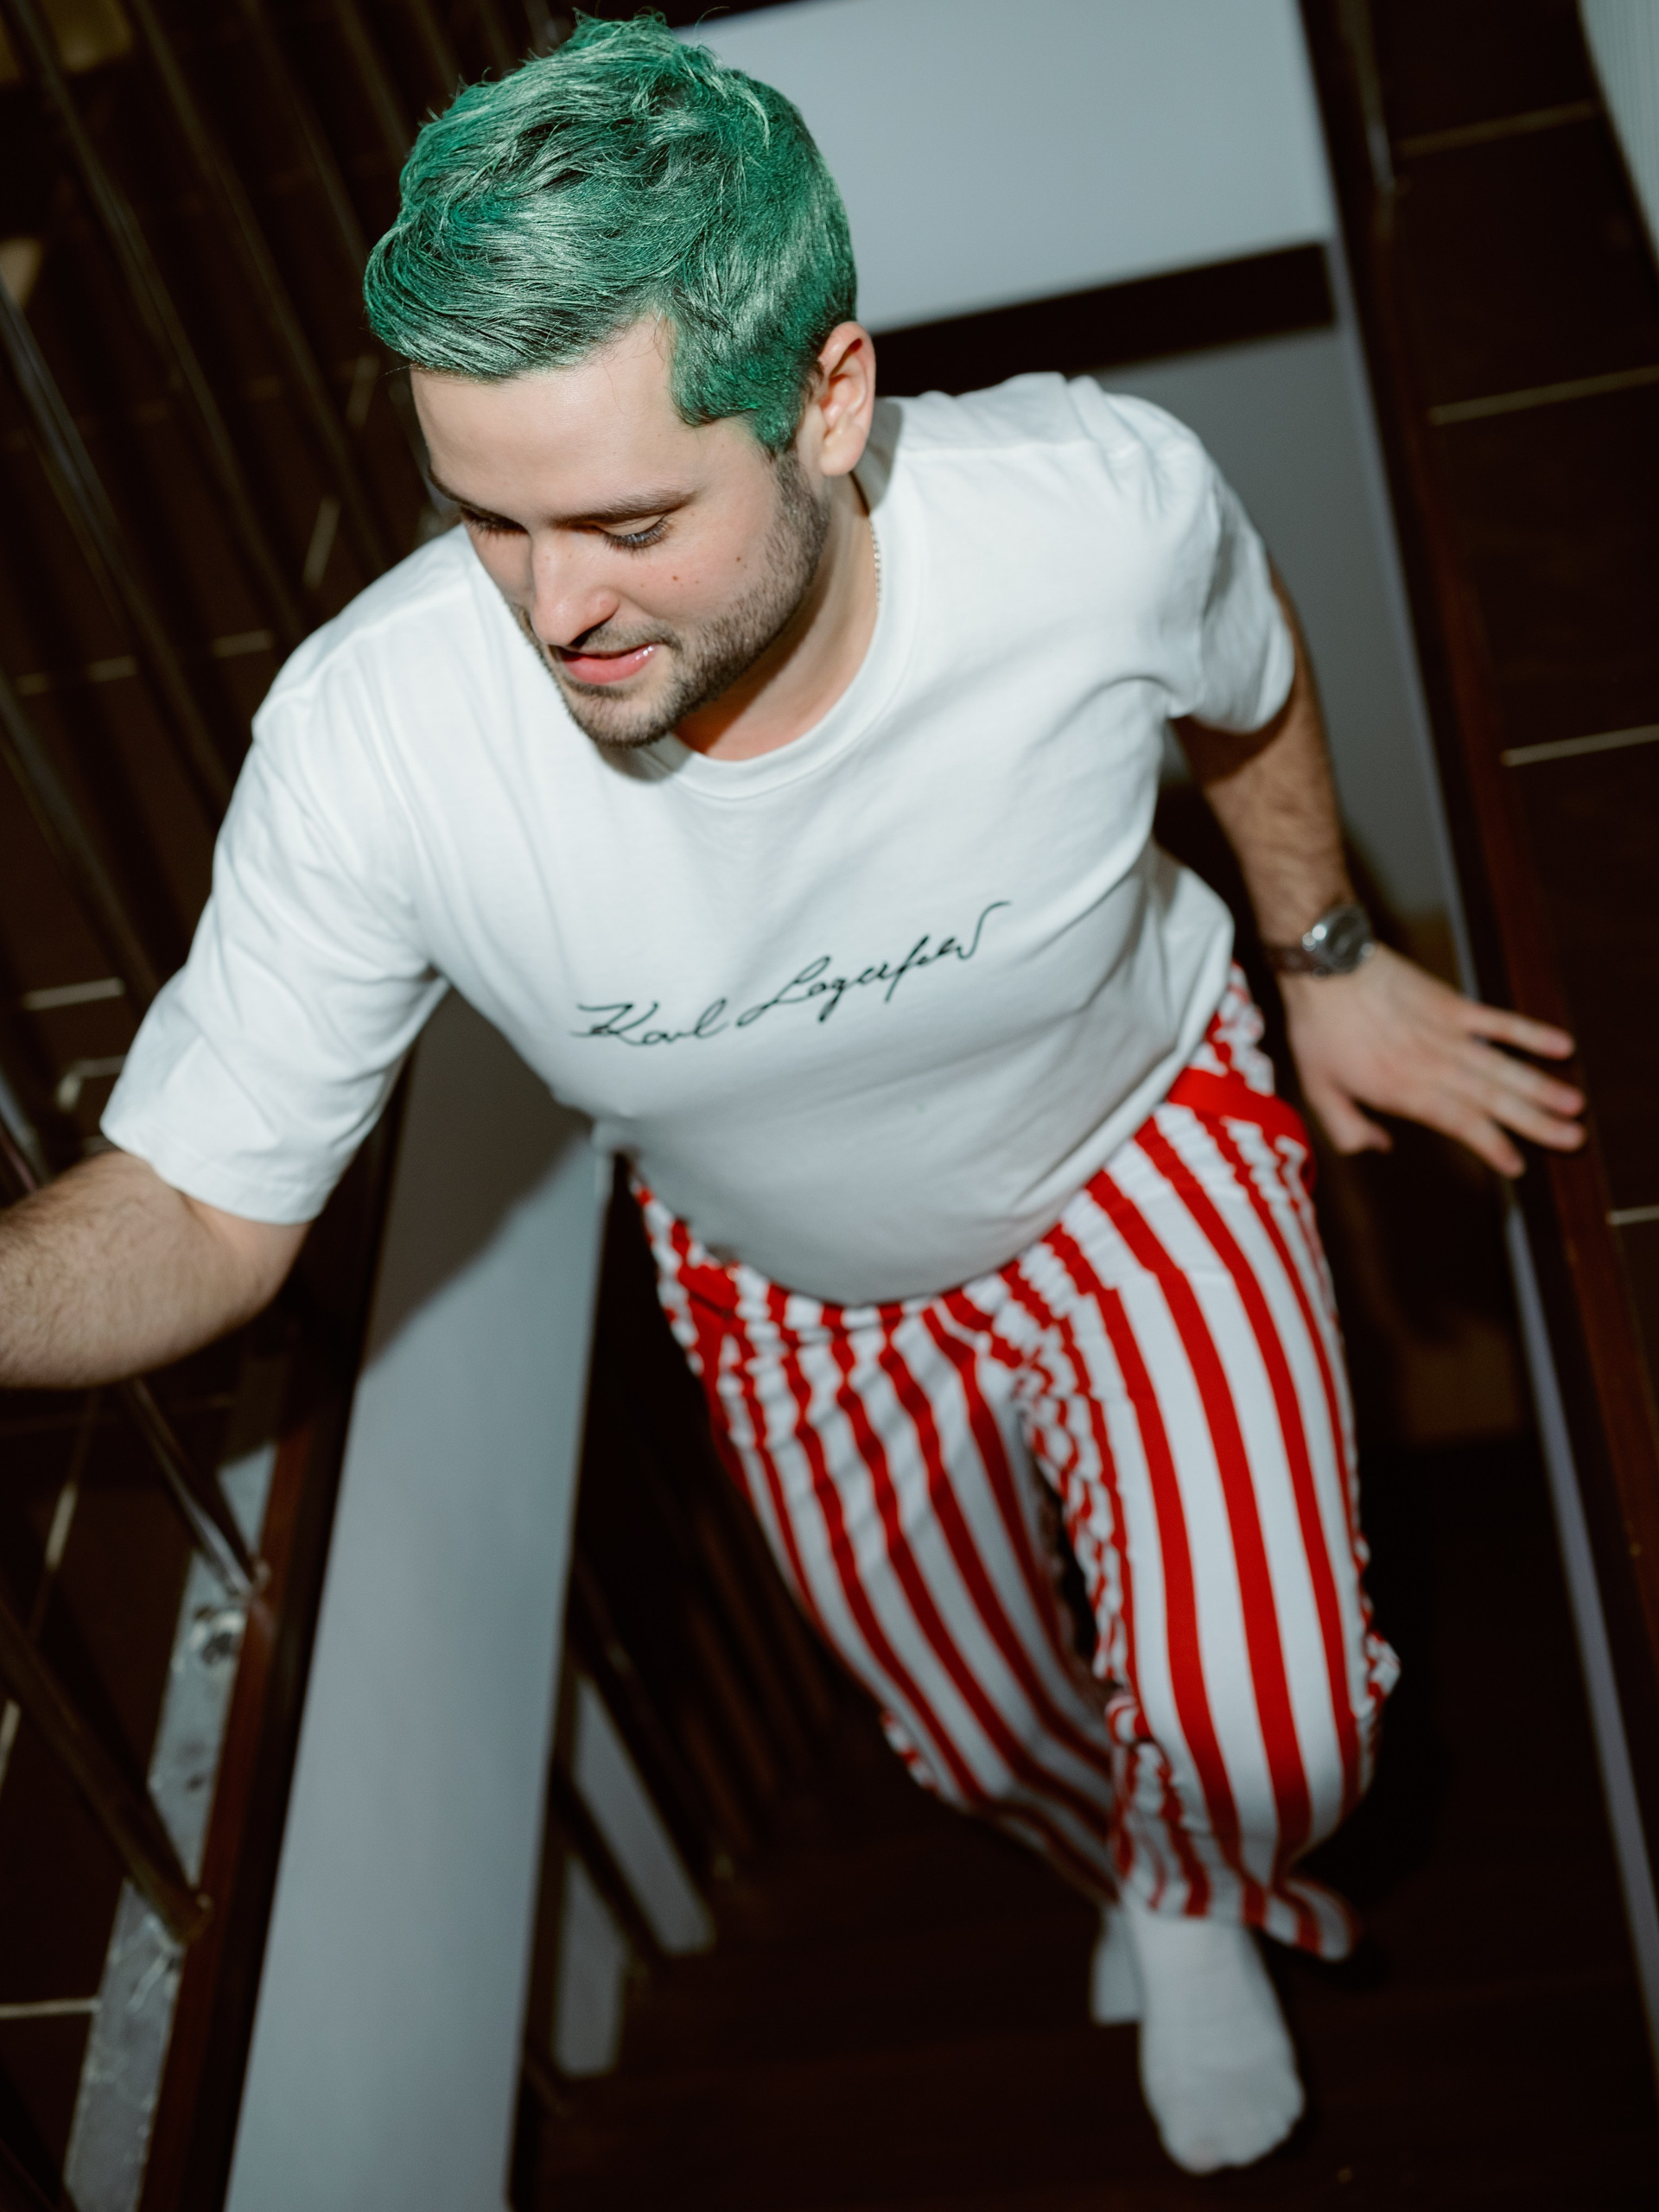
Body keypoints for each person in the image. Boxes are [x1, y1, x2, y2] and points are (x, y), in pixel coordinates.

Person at [0, 16, 1585, 2176]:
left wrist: (1325, 955)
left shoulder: (1090, 513)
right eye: (487, 518)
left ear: (829, 400)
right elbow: (195, 1205)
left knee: (1277, 1730)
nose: (555, 607)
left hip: (1143, 1152)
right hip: (792, 1288)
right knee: (976, 1737)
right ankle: (1150, 1871)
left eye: (628, 519)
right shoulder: (374, 742)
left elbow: (1251, 676)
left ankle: (1199, 1876)